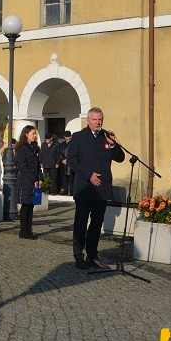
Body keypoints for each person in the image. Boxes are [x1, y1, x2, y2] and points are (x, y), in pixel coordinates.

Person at [65, 107, 125, 270]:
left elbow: (120, 158)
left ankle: (92, 255)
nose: (98, 122)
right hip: (85, 188)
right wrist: (89, 175)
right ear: (88, 120)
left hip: (101, 190)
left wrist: (113, 145)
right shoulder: (78, 137)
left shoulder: (106, 137)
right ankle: (78, 255)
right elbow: (71, 159)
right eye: (94, 119)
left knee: (96, 224)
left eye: (100, 120)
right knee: (81, 223)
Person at [14, 125, 43, 239]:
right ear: (26, 134)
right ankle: (23, 231)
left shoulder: (34, 148)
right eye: (33, 133)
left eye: (35, 133)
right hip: (25, 181)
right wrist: (33, 179)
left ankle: (29, 230)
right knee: (26, 205)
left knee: (31, 205)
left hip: (34, 180)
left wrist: (40, 178)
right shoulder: (22, 148)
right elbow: (23, 167)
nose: (35, 136)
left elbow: (37, 166)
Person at [60, 130, 75, 195]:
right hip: (64, 163)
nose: (68, 138)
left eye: (69, 136)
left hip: (71, 162)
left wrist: (68, 159)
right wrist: (62, 159)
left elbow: (74, 153)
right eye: (66, 136)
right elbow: (59, 153)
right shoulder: (62, 144)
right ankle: (65, 190)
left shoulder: (73, 143)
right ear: (64, 137)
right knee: (64, 177)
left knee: (71, 178)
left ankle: (72, 191)